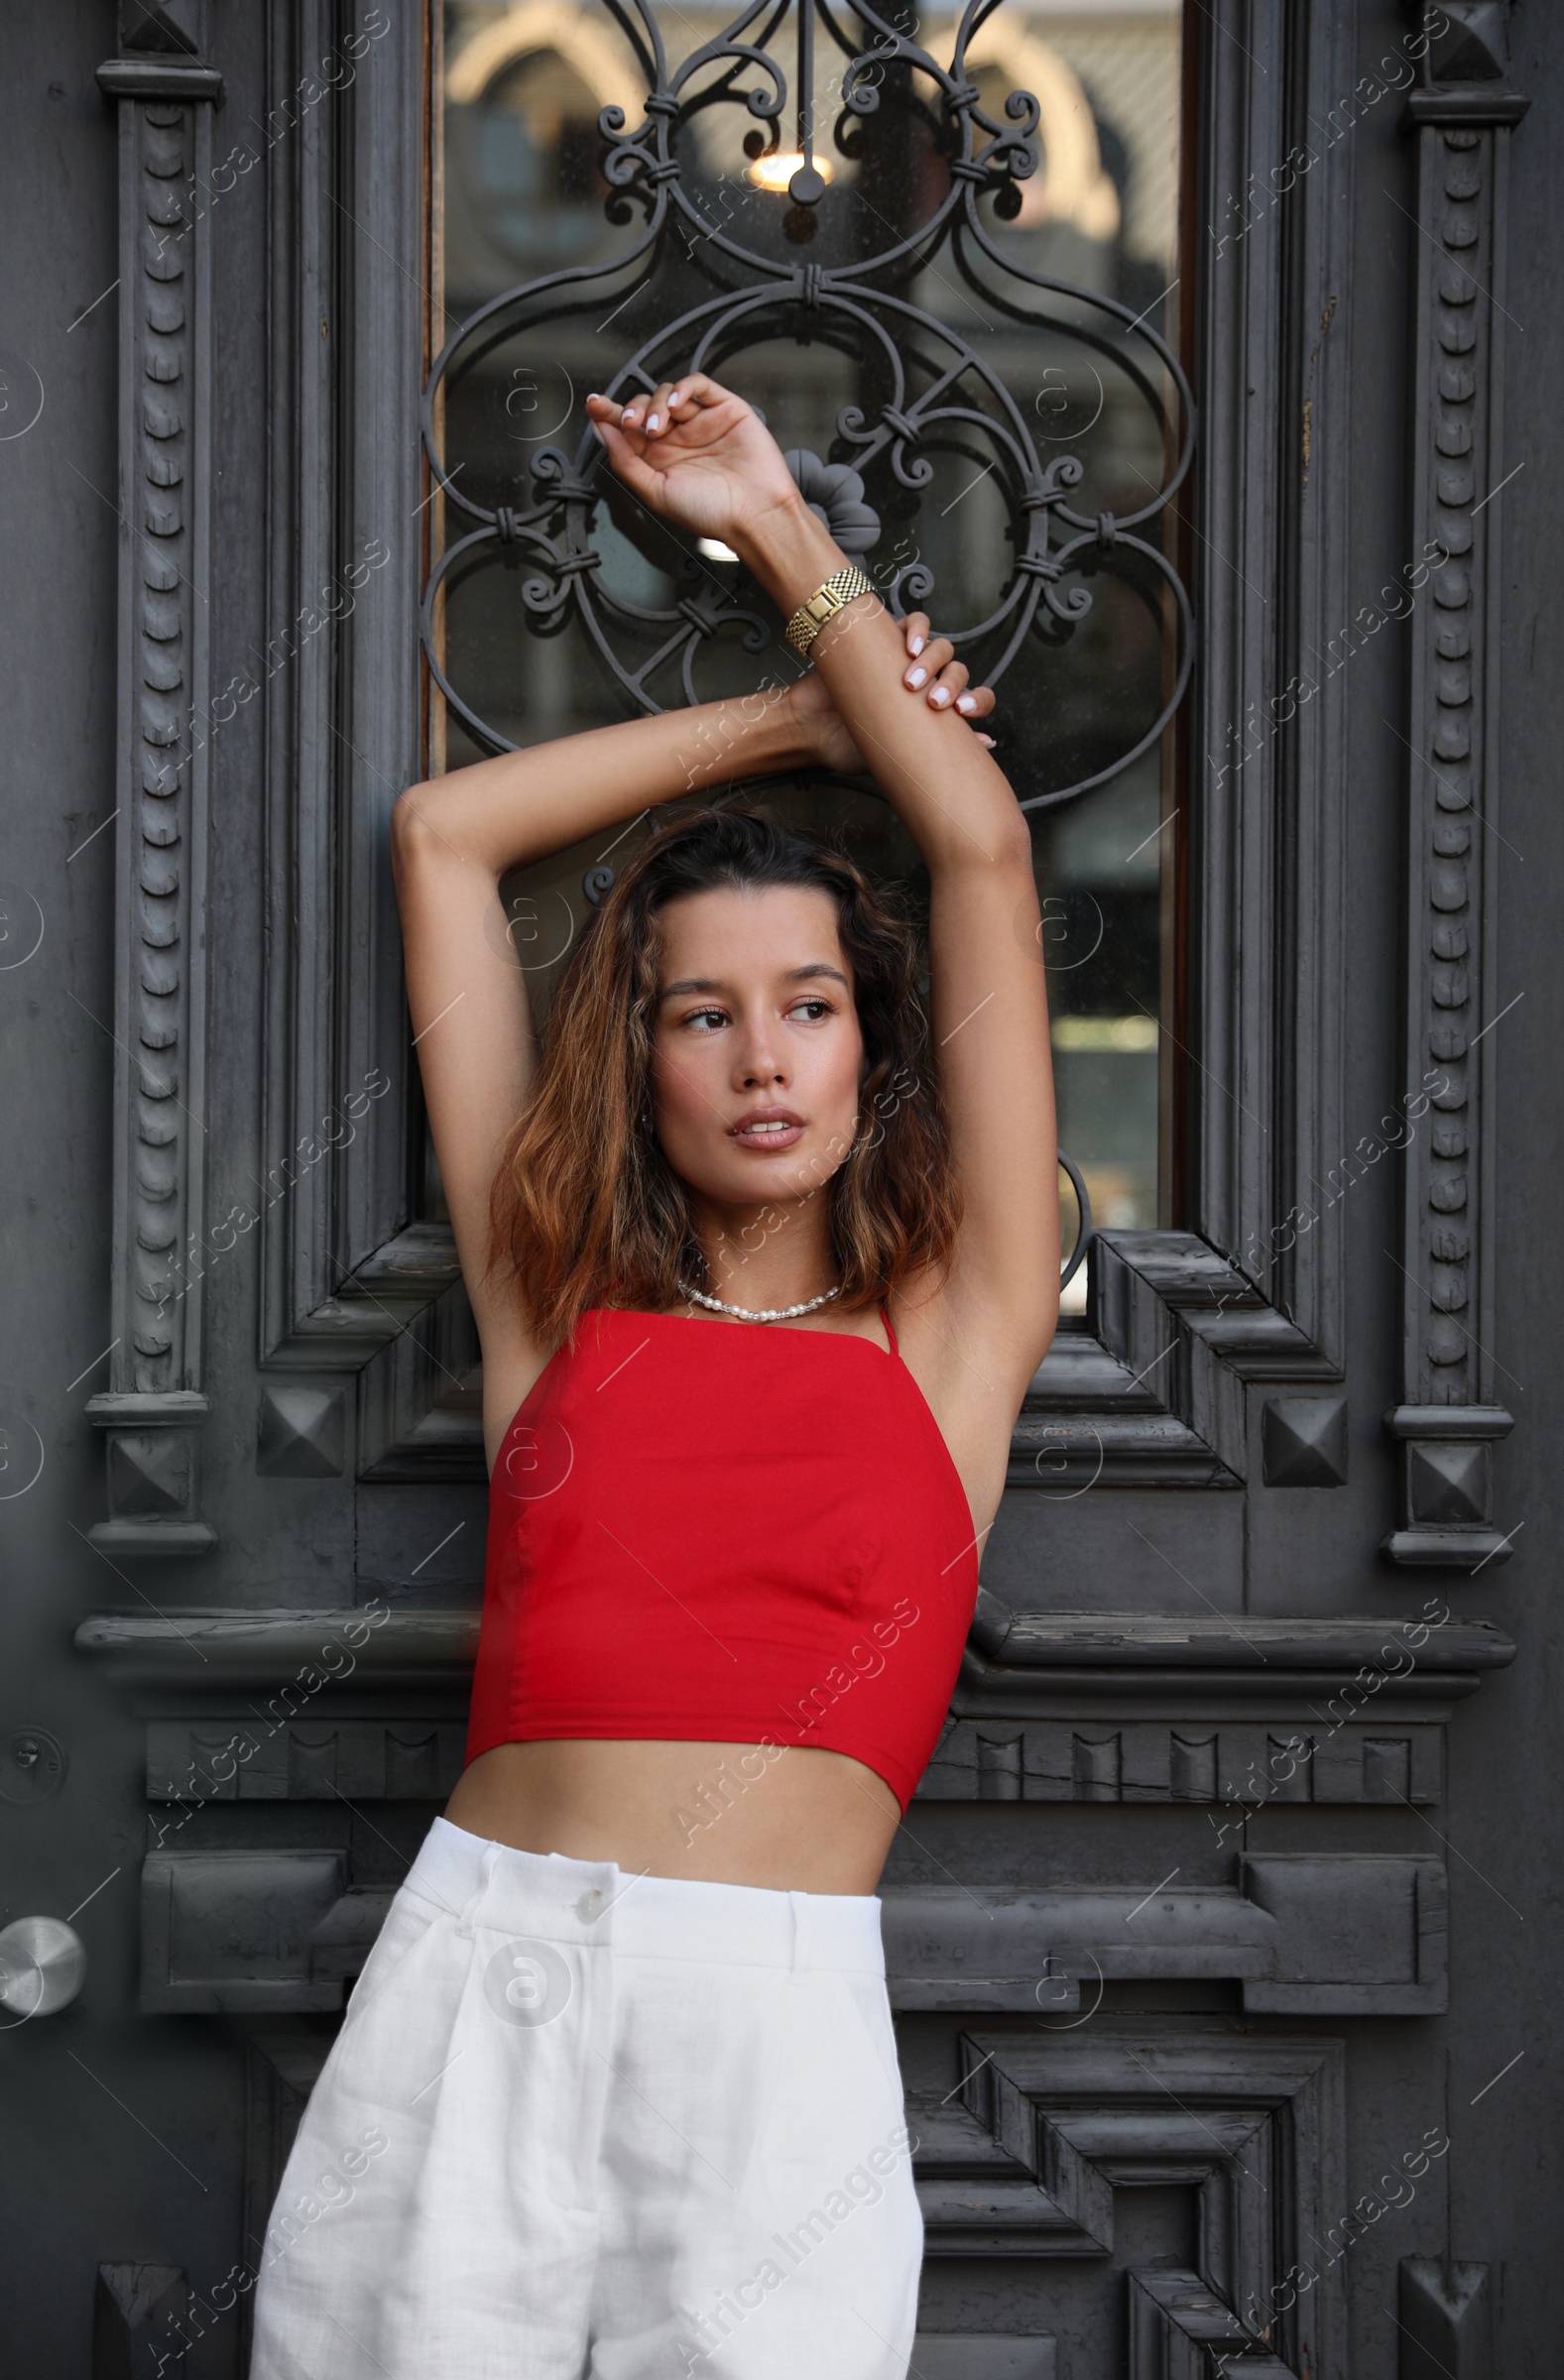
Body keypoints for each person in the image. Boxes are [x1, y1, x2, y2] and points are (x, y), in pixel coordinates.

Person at [249, 374, 1062, 2379]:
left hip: (768, 2041)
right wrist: (803, 722)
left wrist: (785, 543)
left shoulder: (959, 1328)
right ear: (647, 1057)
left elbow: (974, 856)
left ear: (873, 1046)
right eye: (701, 1016)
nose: (763, 1059)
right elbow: (445, 835)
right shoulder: (560, 1302)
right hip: (477, 1977)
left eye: (805, 1007)